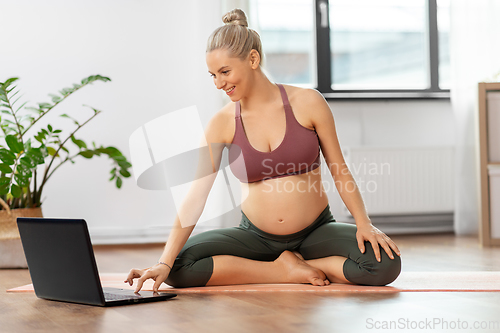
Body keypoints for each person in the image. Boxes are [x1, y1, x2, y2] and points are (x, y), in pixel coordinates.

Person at [126, 8, 401, 292]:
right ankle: (282, 270)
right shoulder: (221, 123)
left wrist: (364, 223)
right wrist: (164, 261)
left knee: (384, 263)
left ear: (253, 59)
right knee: (178, 268)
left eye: (225, 71)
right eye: (212, 75)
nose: (220, 83)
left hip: (316, 232)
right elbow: (196, 196)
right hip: (255, 238)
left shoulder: (308, 102)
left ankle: (304, 261)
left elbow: (339, 169)